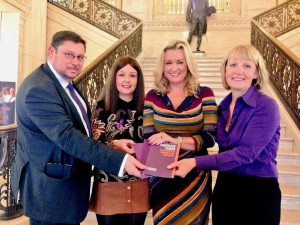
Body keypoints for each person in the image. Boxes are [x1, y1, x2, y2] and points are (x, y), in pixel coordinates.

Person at [11, 30, 145, 225]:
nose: (76, 62)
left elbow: (83, 131)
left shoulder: (65, 85)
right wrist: (121, 160)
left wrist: (112, 143)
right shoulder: (39, 89)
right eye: (69, 55)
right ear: (51, 52)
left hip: (66, 189)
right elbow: (67, 136)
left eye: (80, 57)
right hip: (50, 191)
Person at [168, 44, 281, 225]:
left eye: (247, 66)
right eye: (233, 65)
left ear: (256, 73)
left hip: (258, 191)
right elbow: (207, 139)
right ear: (225, 70)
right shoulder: (221, 108)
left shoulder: (266, 106)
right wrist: (174, 141)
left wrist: (194, 162)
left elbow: (247, 153)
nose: (238, 71)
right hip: (226, 187)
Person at [143, 39, 218, 225]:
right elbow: (147, 136)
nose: (173, 68)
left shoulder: (205, 94)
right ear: (162, 66)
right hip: (161, 172)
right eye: (168, 62)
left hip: (195, 173)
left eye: (180, 62)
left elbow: (210, 138)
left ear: (188, 64)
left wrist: (176, 140)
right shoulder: (152, 96)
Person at [89, 55, 150, 225]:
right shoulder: (102, 107)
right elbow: (94, 146)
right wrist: (114, 144)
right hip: (109, 184)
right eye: (122, 74)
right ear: (114, 77)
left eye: (132, 75)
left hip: (139, 183)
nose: (127, 80)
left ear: (138, 79)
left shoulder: (146, 108)